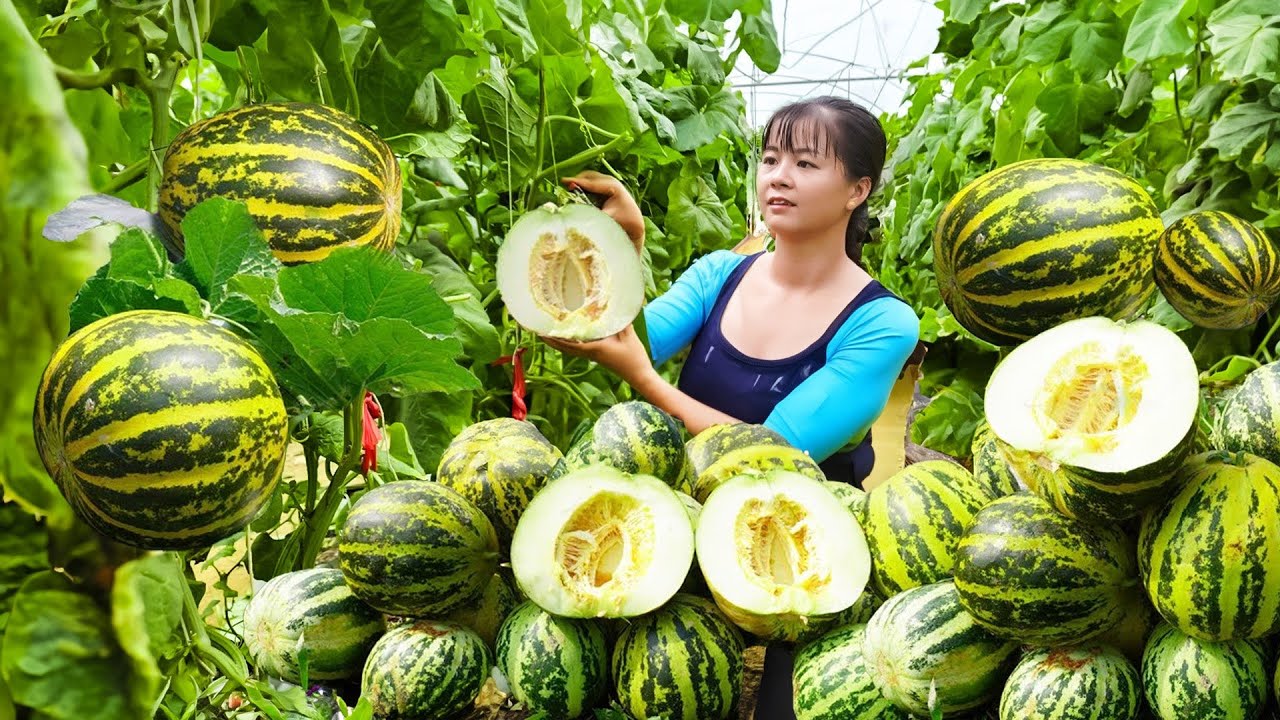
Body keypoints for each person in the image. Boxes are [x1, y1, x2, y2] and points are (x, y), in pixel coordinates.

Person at [541, 96, 921, 717]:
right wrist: (625, 247)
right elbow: (625, 333)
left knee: (786, 709)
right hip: (680, 518)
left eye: (804, 162)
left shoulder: (883, 322)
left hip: (798, 557)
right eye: (770, 159)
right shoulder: (721, 272)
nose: (778, 175)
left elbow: (777, 447)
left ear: (857, 189)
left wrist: (645, 380)